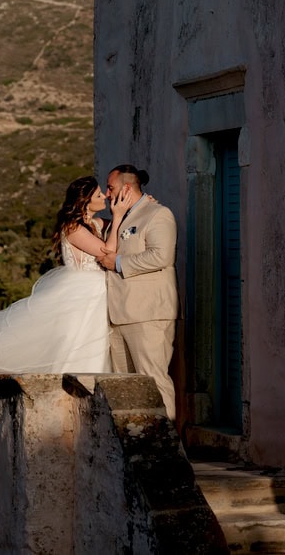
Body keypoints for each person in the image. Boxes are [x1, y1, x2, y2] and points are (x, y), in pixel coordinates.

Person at [0, 176, 131, 373]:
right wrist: (118, 216)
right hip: (80, 290)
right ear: (86, 201)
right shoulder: (73, 227)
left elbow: (119, 226)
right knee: (71, 338)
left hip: (95, 290)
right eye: (99, 194)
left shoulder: (95, 224)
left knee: (89, 339)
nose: (105, 196)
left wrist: (138, 208)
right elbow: (107, 251)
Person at [95, 164, 179, 420]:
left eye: (110, 188)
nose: (107, 194)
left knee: (153, 381)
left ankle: (167, 450)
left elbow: (161, 256)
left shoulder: (157, 214)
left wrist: (118, 263)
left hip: (148, 314)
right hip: (117, 315)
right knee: (126, 386)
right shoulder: (117, 218)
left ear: (127, 188)